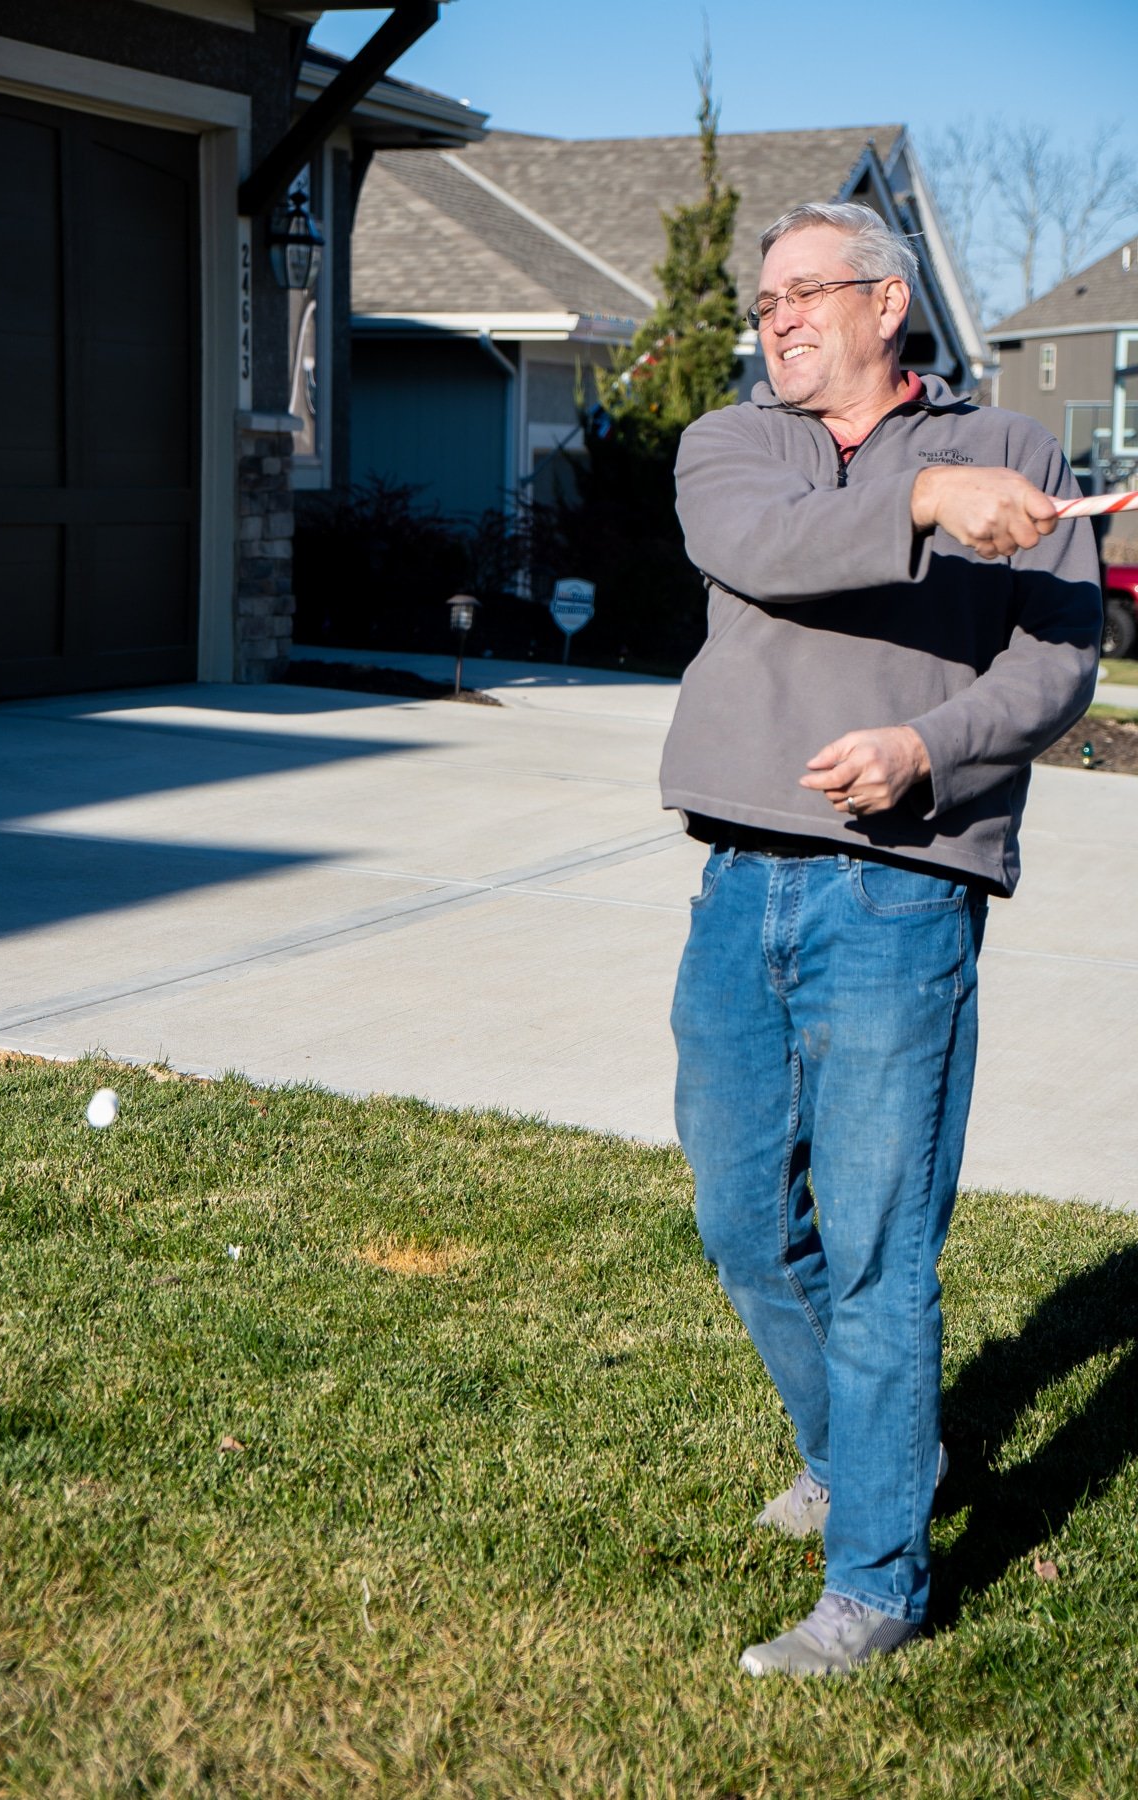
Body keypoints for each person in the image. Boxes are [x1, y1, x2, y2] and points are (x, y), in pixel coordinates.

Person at [661, 201, 1101, 1677]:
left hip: (901, 891)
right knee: (741, 1220)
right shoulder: (736, 448)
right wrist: (923, 505)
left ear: (889, 302)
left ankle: (878, 1582)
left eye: (805, 292)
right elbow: (767, 552)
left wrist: (929, 745)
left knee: (877, 1247)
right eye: (765, 298)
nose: (776, 316)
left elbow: (1058, 660)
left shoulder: (1020, 452)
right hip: (740, 883)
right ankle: (862, 1456)